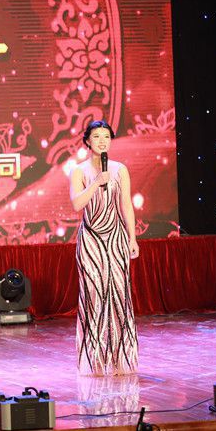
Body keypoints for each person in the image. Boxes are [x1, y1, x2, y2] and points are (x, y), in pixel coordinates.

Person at [69, 120, 139, 375]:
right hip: (90, 239)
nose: (102, 141)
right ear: (87, 141)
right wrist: (96, 182)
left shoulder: (120, 169)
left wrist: (132, 238)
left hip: (116, 237)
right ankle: (94, 360)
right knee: (94, 295)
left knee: (119, 294)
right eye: (97, 136)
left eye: (106, 137)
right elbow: (77, 204)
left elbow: (126, 205)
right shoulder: (79, 171)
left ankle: (121, 359)